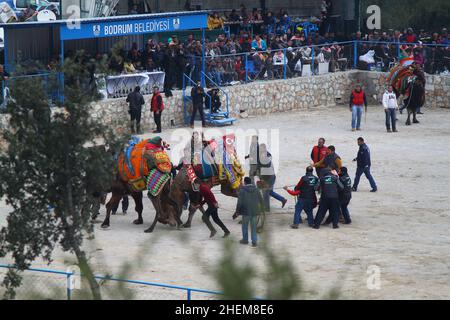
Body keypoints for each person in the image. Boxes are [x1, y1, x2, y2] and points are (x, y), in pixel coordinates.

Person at [233, 177, 265, 247]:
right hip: (255, 211)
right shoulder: (256, 190)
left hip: (246, 212)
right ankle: (254, 241)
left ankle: (245, 240)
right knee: (253, 227)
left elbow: (239, 202)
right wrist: (261, 209)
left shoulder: (242, 191)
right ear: (251, 182)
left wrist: (237, 211)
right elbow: (261, 200)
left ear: (245, 182)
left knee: (244, 226)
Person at [258, 143, 287, 211]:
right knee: (269, 192)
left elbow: (265, 169)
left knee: (266, 193)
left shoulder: (265, 157)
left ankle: (266, 209)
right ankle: (283, 199)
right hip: (271, 176)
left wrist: (262, 179)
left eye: (261, 149)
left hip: (269, 178)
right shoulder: (264, 155)